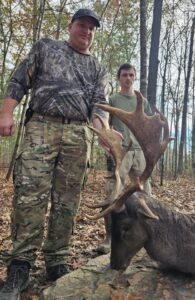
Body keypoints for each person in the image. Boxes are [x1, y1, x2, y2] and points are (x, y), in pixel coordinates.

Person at [0, 8, 111, 300]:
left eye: (91, 28)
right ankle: (20, 265)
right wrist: (6, 113)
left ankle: (56, 260)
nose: (86, 31)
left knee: (67, 200)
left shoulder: (97, 67)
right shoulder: (46, 48)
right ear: (70, 26)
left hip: (78, 135)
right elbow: (18, 81)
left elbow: (99, 107)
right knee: (30, 195)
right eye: (82, 25)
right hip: (41, 128)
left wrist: (104, 133)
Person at [96, 63, 152, 254]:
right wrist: (108, 143)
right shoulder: (112, 99)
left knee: (146, 195)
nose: (128, 78)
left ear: (134, 77)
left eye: (131, 75)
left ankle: (147, 237)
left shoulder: (141, 101)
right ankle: (110, 238)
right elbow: (105, 125)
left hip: (140, 153)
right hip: (120, 153)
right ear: (119, 78)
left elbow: (149, 124)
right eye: (124, 75)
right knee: (113, 194)